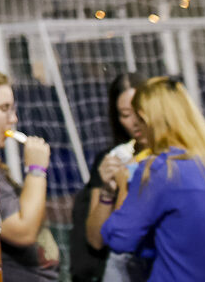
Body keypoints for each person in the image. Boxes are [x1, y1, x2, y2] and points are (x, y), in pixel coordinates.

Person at [101, 76, 205, 282]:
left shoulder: (160, 172)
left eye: (140, 120)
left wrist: (122, 187)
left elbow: (119, 238)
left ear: (149, 121)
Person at [78, 72, 148, 282]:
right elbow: (95, 240)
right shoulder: (112, 159)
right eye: (126, 115)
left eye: (140, 112)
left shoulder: (174, 158)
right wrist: (108, 191)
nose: (135, 122)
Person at [0, 71, 60, 282]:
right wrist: (36, 170)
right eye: (4, 109)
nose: (13, 119)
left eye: (13, 109)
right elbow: (23, 231)